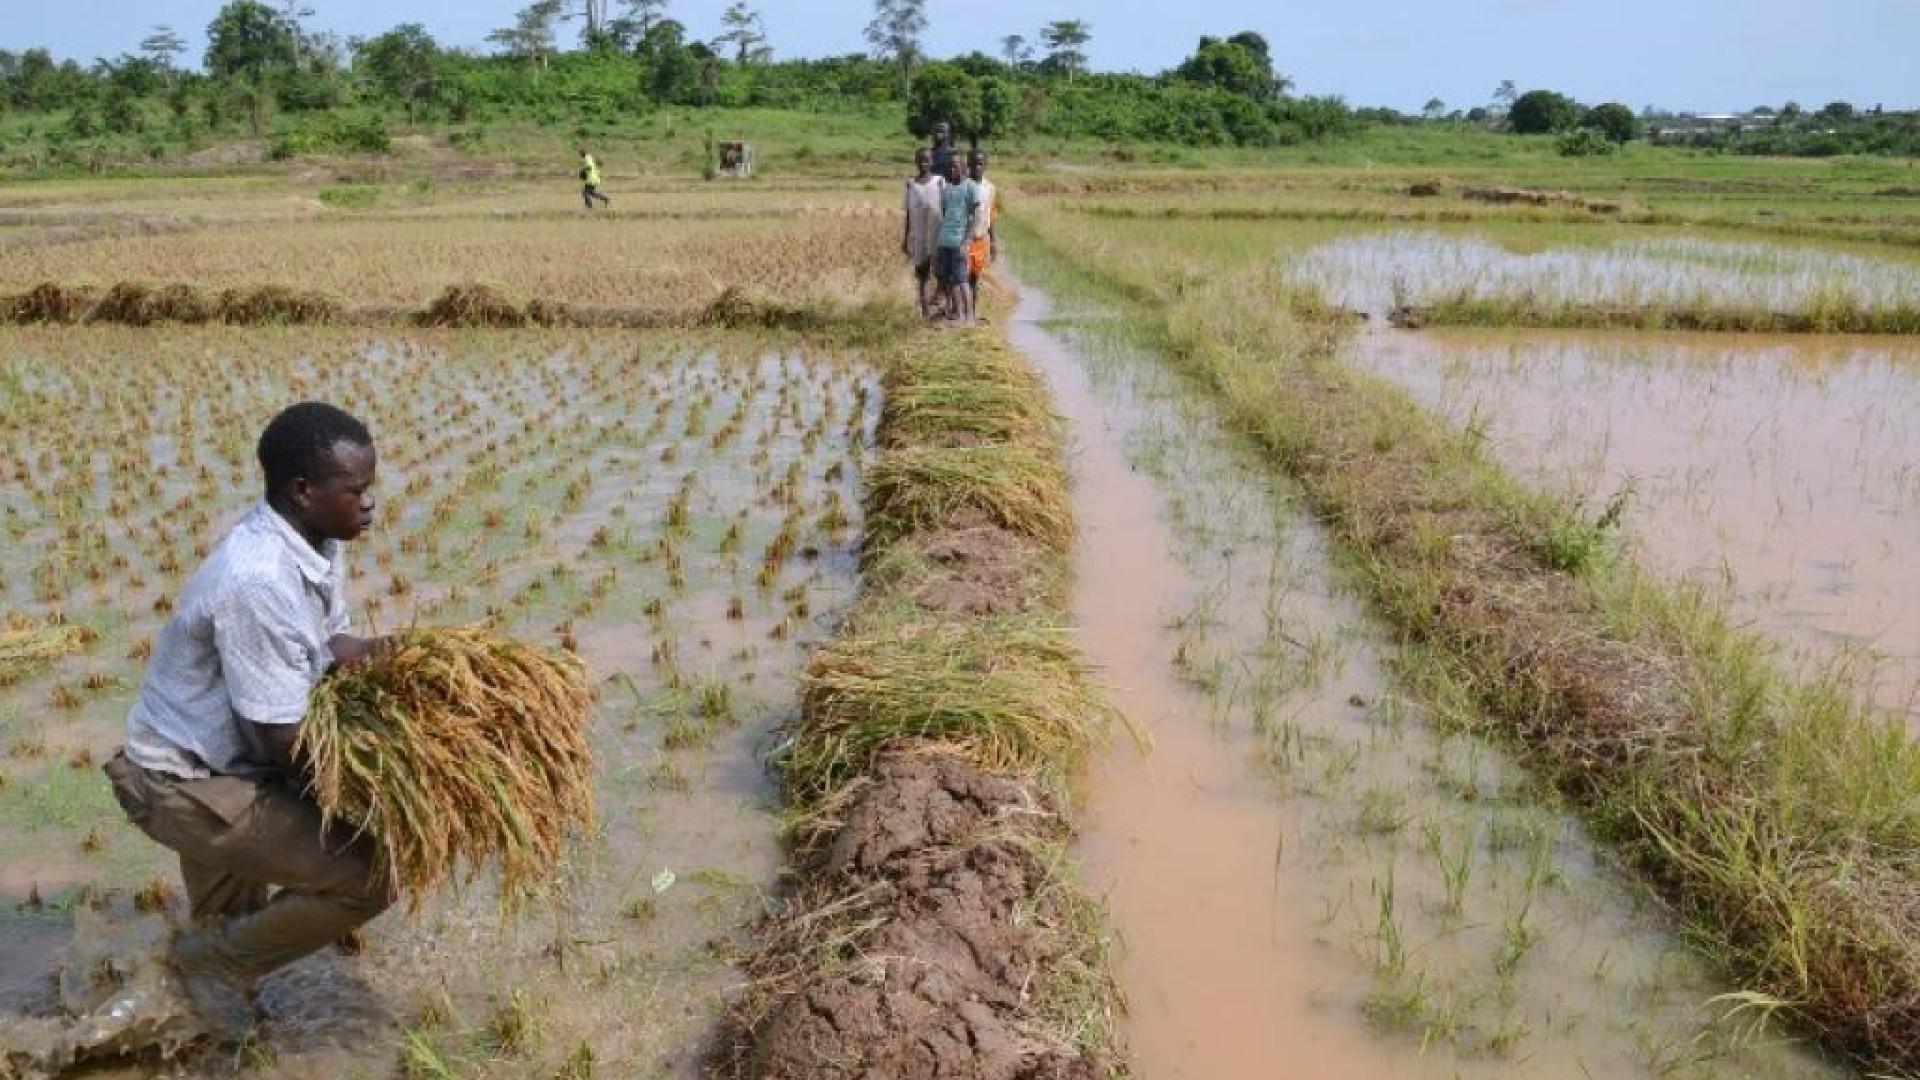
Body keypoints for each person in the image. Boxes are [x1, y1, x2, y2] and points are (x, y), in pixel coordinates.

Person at [101, 401, 392, 1042]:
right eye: (356, 491)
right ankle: (194, 971)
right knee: (370, 875)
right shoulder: (257, 579)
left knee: (230, 967)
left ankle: (169, 1027)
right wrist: (376, 799)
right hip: (187, 781)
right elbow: (280, 738)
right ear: (303, 490)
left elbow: (327, 647)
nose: (369, 505)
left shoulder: (314, 539)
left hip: (218, 760)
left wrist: (398, 654)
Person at [933, 153, 980, 325]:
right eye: (950, 166)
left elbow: (975, 217)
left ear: (963, 167)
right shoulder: (946, 190)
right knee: (949, 280)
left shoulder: (970, 187)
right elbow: (945, 215)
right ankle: (958, 315)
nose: (953, 169)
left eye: (956, 165)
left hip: (959, 242)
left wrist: (966, 241)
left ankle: (969, 317)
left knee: (962, 280)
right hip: (944, 241)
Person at [902, 147, 946, 322]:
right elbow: (908, 213)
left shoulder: (940, 182)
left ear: (932, 161)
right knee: (922, 274)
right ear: (915, 162)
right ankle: (925, 310)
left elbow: (946, 208)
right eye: (920, 160)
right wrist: (905, 238)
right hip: (918, 235)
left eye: (927, 160)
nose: (923, 163)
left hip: (937, 234)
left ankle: (941, 304)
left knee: (941, 272)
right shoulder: (911, 185)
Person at [966, 150, 998, 316]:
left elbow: (991, 215)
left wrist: (993, 242)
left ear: (985, 166)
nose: (976, 167)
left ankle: (972, 312)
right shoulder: (963, 185)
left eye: (980, 164)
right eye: (973, 164)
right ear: (968, 165)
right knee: (961, 278)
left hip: (981, 239)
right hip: (964, 240)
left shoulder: (990, 188)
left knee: (974, 278)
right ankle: (960, 312)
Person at [928, 120, 957, 184]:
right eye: (937, 130)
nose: (939, 133)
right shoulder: (929, 153)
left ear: (948, 134)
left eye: (942, 131)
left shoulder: (954, 153)